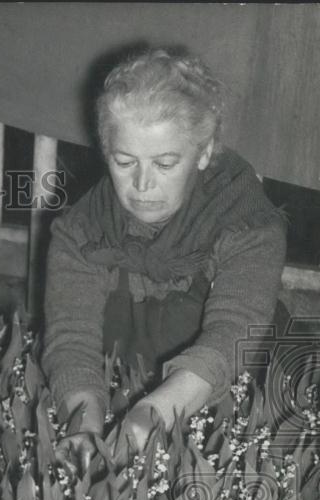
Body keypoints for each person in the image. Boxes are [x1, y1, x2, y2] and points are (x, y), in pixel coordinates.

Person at [42, 49, 287, 471]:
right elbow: (72, 337)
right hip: (126, 365)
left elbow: (232, 333)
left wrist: (150, 416)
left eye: (165, 163)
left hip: (232, 375)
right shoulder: (81, 228)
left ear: (204, 153)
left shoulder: (247, 220)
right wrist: (84, 425)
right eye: (124, 162)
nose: (141, 184)